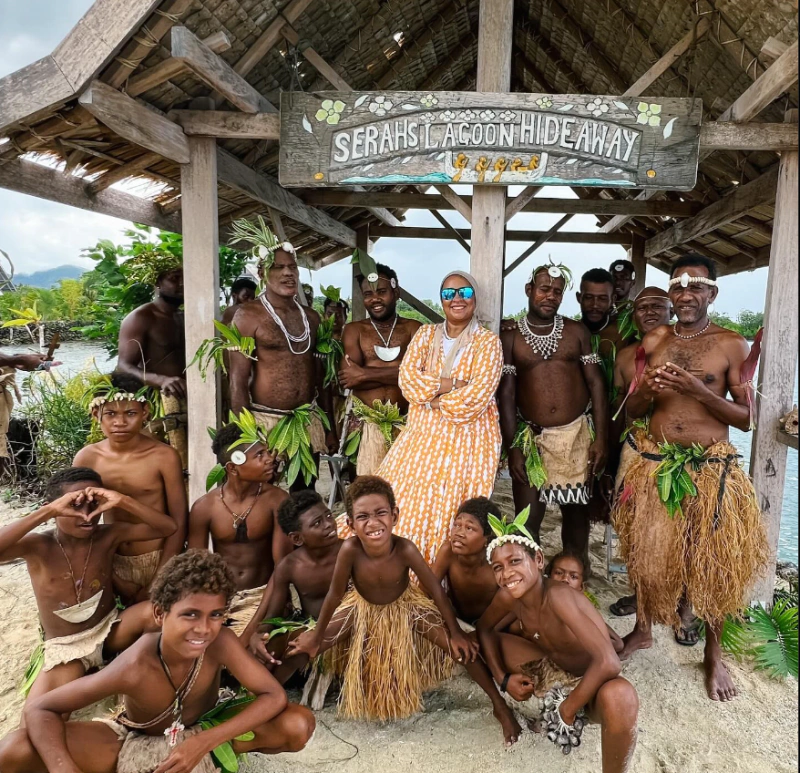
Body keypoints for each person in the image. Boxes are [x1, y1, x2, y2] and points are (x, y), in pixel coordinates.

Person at [0, 550, 316, 773]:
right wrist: (63, 768)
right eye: (190, 614)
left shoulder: (220, 642)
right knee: (14, 748)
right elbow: (40, 709)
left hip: (204, 727)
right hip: (133, 738)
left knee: (298, 724)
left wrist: (204, 742)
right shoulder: (136, 663)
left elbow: (273, 695)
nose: (204, 628)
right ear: (160, 615)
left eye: (215, 615)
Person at [612, 254, 768, 701]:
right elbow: (634, 412)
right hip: (657, 464)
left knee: (713, 562)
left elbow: (745, 419)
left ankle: (714, 656)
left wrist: (697, 390)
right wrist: (647, 391)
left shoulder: (730, 344)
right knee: (646, 551)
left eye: (695, 286)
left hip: (709, 470)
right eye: (678, 286)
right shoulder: (656, 340)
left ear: (711, 293)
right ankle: (642, 630)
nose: (685, 294)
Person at [286, 476, 477, 723]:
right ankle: (268, 691)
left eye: (380, 513)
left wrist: (456, 632)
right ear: (351, 523)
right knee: (306, 646)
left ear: (394, 515)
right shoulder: (350, 550)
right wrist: (317, 635)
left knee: (458, 649)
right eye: (363, 516)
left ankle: (499, 704)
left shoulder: (405, 549)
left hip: (406, 607)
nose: (373, 522)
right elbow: (335, 594)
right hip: (360, 608)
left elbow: (436, 590)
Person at [0, 467, 175, 713]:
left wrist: (121, 500)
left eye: (93, 506)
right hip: (68, 648)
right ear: (56, 507)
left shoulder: (107, 535)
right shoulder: (39, 546)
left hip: (110, 629)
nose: (86, 515)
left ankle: (141, 672)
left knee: (155, 613)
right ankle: (93, 671)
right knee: (39, 715)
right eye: (74, 506)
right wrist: (47, 511)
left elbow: (166, 528)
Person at [477, 523, 639, 773]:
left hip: (591, 679)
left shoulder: (558, 596)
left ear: (538, 560)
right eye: (498, 567)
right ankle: (506, 709)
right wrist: (503, 678)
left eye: (515, 561)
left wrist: (567, 709)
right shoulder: (509, 597)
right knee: (469, 644)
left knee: (621, 696)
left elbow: (609, 662)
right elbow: (484, 629)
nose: (507, 573)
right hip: (553, 666)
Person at [377, 271, 503, 562]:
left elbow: (475, 399)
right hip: (421, 437)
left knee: (449, 507)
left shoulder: (487, 343)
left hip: (468, 441)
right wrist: (454, 384)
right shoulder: (425, 335)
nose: (456, 299)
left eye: (464, 293)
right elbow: (408, 383)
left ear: (475, 298)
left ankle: (439, 577)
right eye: (449, 294)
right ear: (441, 300)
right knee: (407, 500)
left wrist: (431, 401)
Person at [499, 263, 608, 565]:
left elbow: (596, 384)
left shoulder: (576, 332)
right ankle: (529, 583)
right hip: (532, 438)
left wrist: (600, 439)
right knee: (527, 519)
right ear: (529, 290)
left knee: (576, 517)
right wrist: (513, 448)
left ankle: (575, 578)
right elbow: (506, 395)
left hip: (576, 437)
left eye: (557, 291)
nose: (550, 296)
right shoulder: (510, 337)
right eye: (544, 289)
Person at [230, 239, 335, 490]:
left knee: (304, 495)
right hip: (265, 423)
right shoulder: (248, 315)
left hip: (306, 420)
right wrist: (245, 436)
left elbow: (321, 379)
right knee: (263, 495)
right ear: (262, 272)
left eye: (292, 267)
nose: (288, 273)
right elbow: (237, 381)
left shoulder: (311, 317)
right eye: (278, 267)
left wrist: (330, 426)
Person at [74, 374, 186, 604]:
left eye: (130, 413)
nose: (120, 422)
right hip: (111, 560)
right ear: (97, 415)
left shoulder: (163, 456)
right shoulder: (87, 457)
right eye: (111, 414)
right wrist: (111, 574)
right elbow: (77, 521)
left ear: (145, 413)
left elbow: (179, 519)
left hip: (158, 558)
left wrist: (160, 577)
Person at [187, 422, 292, 636]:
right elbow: (197, 567)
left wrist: (260, 623)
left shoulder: (277, 500)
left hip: (264, 595)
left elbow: (282, 567)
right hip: (220, 596)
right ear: (233, 468)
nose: (270, 459)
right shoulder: (205, 507)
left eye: (266, 452)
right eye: (259, 455)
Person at [245, 491, 344, 707]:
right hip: (307, 630)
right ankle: (260, 696)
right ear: (297, 538)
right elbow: (272, 616)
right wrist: (258, 634)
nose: (329, 524)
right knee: (270, 645)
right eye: (317, 523)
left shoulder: (349, 552)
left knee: (298, 644)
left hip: (341, 632)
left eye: (328, 516)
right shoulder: (289, 566)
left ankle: (268, 698)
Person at [608, 288, 671, 621]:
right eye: (641, 307)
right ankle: (639, 593)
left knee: (685, 531)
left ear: (672, 309)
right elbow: (621, 410)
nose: (648, 311)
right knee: (635, 530)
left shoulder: (689, 350)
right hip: (637, 451)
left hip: (681, 454)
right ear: (632, 315)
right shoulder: (625, 356)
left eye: (657, 305)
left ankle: (685, 608)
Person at [338, 264, 422, 476]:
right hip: (367, 426)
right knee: (367, 489)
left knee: (406, 491)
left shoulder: (414, 329)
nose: (375, 299)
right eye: (368, 294)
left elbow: (422, 378)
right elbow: (349, 379)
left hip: (407, 424)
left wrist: (365, 373)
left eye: (381, 292)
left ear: (396, 292)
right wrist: (401, 374)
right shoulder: (354, 330)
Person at [116, 265, 188, 467]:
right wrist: (161, 380)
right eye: (174, 278)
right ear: (157, 282)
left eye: (185, 278)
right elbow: (123, 365)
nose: (182, 283)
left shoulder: (185, 317)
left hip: (187, 400)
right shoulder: (142, 317)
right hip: (158, 404)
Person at [546, 552, 623, 653]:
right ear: (548, 577)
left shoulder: (581, 607)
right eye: (559, 573)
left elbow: (618, 643)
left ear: (581, 587)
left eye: (573, 577)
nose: (565, 579)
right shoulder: (540, 600)